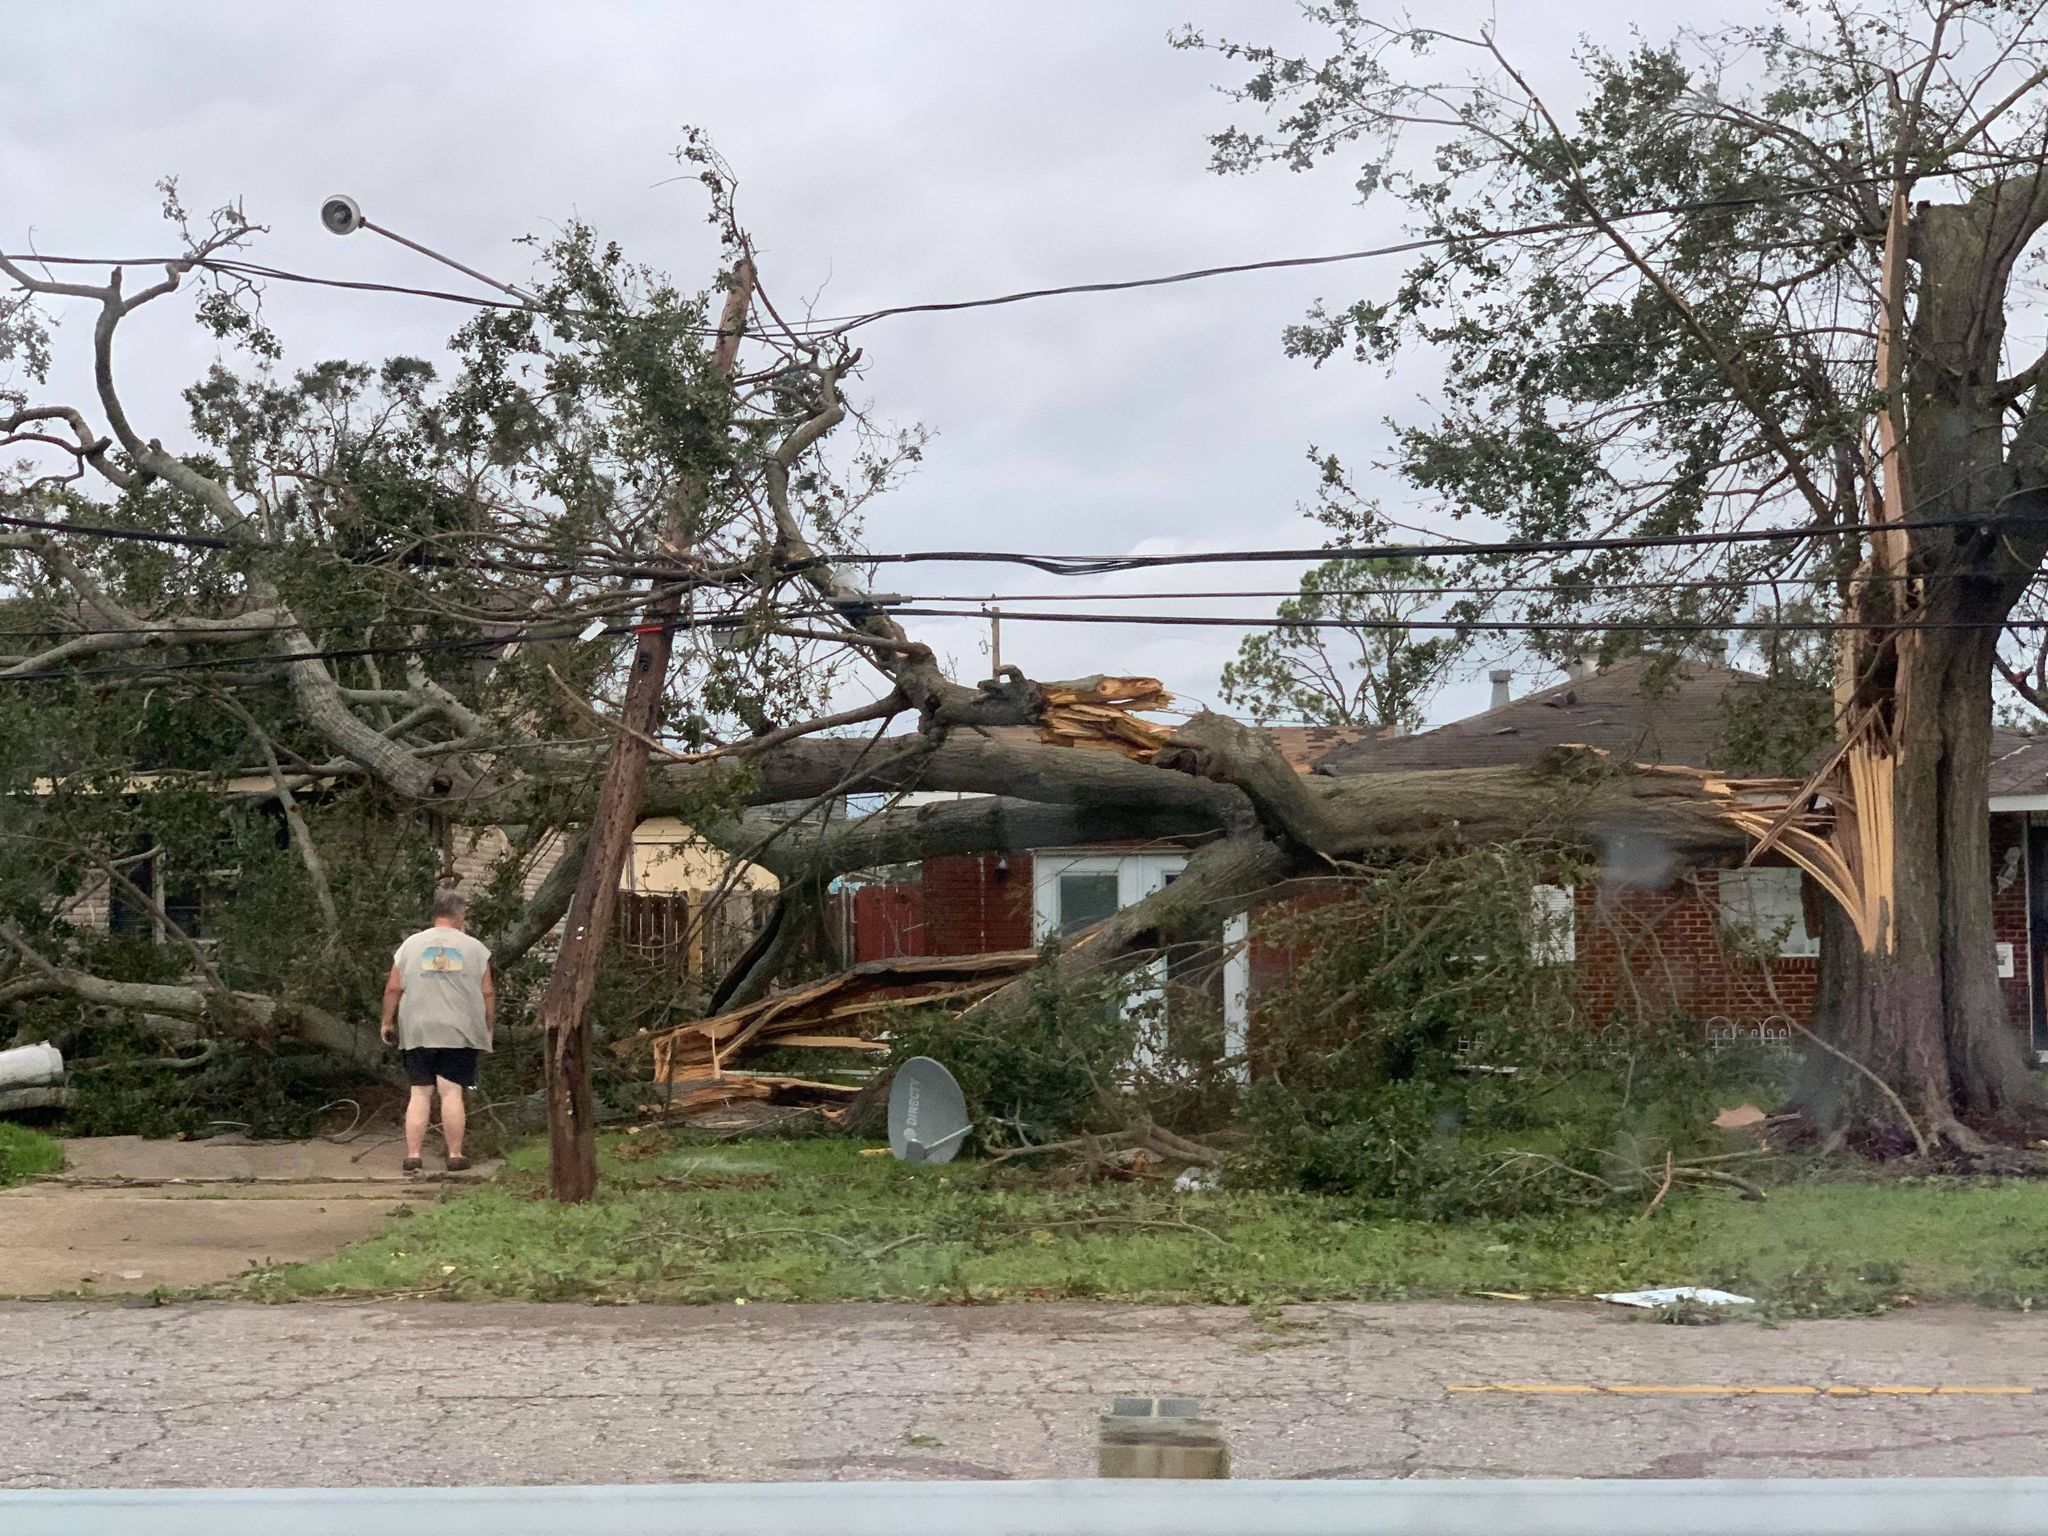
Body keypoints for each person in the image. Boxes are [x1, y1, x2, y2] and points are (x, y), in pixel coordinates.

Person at [380, 889, 495, 1174]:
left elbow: (394, 987)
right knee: (451, 1091)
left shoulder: (410, 945)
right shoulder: (475, 948)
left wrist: (387, 1021)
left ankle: (413, 1156)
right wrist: (487, 1028)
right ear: (459, 915)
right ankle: (455, 1155)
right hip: (458, 1030)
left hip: (418, 1028)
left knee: (419, 1093)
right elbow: (488, 993)